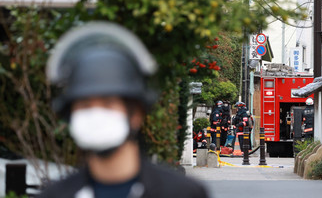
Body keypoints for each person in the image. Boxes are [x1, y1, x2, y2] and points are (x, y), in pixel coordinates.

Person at [38, 22, 208, 198]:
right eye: (85, 105)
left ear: (136, 114)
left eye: (108, 103)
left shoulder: (182, 193)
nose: (96, 114)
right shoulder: (54, 194)